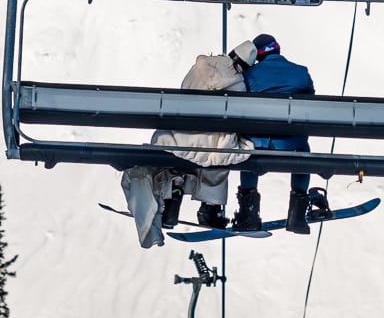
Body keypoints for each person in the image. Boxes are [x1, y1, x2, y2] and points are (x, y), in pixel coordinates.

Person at [119, 41, 257, 248]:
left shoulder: (199, 67)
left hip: (179, 137)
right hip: (208, 144)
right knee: (219, 161)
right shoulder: (239, 83)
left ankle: (173, 197)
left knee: (186, 159)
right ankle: (210, 209)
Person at [236, 33, 329, 234]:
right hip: (291, 145)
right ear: (278, 49)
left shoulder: (250, 74)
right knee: (304, 151)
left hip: (260, 145)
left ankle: (248, 214)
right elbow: (311, 105)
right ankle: (296, 214)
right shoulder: (301, 72)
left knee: (248, 151)